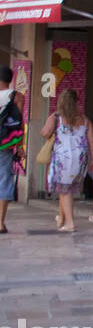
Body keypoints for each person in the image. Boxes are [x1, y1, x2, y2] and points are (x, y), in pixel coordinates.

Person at [40, 89, 93, 233]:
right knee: (66, 189)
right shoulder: (85, 120)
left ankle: (70, 223)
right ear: (76, 102)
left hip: (63, 160)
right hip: (80, 160)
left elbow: (45, 133)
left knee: (64, 191)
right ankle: (61, 219)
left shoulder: (57, 118)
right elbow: (92, 142)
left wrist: (50, 123)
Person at [0, 66, 25, 235]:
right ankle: (0, 223)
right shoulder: (17, 96)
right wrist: (19, 146)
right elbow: (18, 124)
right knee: (3, 180)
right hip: (5, 145)